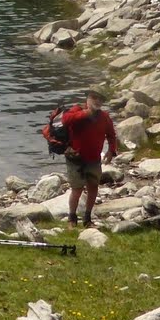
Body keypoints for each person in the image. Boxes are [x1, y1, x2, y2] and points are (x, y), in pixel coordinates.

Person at [61, 87, 118, 227]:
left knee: (93, 187)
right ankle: (72, 218)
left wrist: (111, 151)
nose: (97, 101)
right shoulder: (76, 110)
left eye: (101, 99)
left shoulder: (104, 117)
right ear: (87, 97)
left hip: (94, 159)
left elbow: (111, 135)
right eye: (94, 97)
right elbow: (65, 120)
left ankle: (87, 219)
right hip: (75, 159)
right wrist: (85, 113)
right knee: (77, 189)